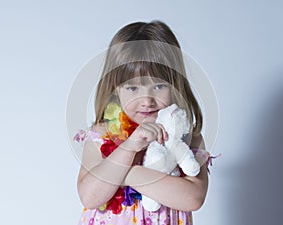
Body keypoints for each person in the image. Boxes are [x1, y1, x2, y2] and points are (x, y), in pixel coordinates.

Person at [74, 20, 211, 225]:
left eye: (158, 86)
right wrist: (129, 147)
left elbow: (193, 198)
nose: (146, 100)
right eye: (132, 88)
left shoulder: (188, 138)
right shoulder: (101, 135)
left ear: (176, 85)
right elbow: (90, 196)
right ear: (115, 89)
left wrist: (126, 174)